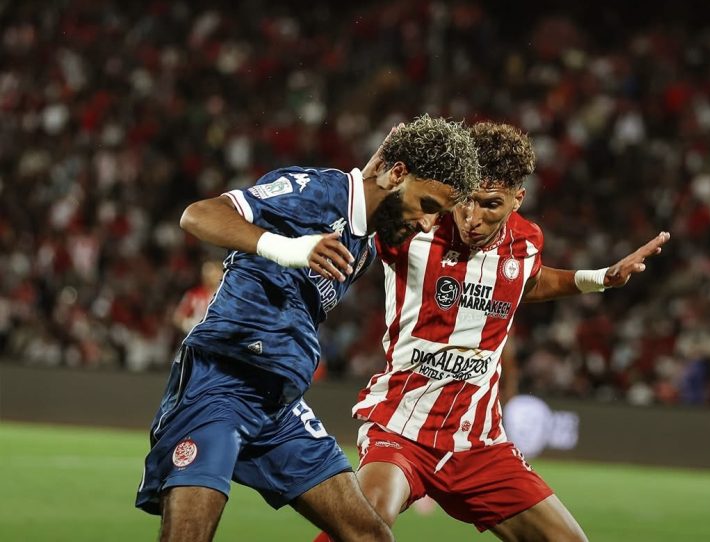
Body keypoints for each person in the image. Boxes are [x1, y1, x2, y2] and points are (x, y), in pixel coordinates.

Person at [315, 122, 670, 542]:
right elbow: (355, 220)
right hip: (401, 430)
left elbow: (528, 281)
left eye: (491, 205)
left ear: (518, 199)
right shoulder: (417, 226)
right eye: (466, 200)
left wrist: (600, 278)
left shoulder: (526, 242)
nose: (472, 218)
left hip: (479, 444)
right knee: (363, 531)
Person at [135, 115, 481, 542]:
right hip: (224, 380)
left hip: (279, 405)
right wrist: (285, 247)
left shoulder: (363, 248)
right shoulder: (315, 191)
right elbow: (198, 215)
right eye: (427, 206)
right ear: (397, 174)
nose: (428, 223)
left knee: (371, 536)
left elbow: (363, 207)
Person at [172, 260, 224, 335]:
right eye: (206, 273)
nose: (209, 276)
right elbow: (178, 318)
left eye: (213, 272)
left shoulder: (225, 296)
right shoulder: (194, 295)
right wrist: (189, 325)